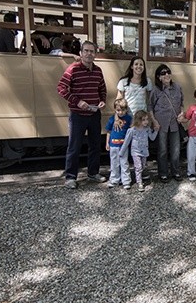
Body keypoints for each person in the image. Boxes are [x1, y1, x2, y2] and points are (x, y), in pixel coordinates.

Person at [57, 40, 109, 189]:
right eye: (86, 51)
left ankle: (93, 173)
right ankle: (70, 177)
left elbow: (102, 89)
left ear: (95, 54)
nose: (89, 54)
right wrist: (77, 101)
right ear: (81, 53)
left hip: (94, 114)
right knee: (74, 146)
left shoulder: (98, 70)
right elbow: (61, 88)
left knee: (94, 146)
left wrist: (102, 101)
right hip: (78, 115)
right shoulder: (73, 69)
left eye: (91, 51)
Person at [150, 64, 185, 183]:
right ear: (159, 77)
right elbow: (150, 107)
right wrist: (154, 121)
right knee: (163, 150)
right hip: (161, 124)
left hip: (175, 123)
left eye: (168, 72)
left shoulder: (177, 87)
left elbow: (181, 103)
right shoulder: (155, 90)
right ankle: (163, 173)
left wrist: (181, 114)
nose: (166, 75)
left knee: (176, 149)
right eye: (163, 73)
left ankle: (175, 171)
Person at [120, 110, 158, 192]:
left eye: (147, 119)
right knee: (139, 167)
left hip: (144, 151)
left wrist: (156, 131)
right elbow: (126, 142)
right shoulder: (132, 130)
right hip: (135, 152)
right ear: (138, 120)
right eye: (143, 120)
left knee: (143, 166)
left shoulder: (147, 129)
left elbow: (152, 138)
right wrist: (121, 152)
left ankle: (139, 176)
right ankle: (139, 182)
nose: (146, 121)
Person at [105, 98, 133, 190]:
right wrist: (107, 143)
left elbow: (130, 131)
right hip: (113, 144)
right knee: (114, 163)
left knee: (124, 163)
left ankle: (126, 181)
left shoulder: (128, 119)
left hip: (123, 145)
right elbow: (108, 131)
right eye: (118, 110)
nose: (120, 112)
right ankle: (114, 180)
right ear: (115, 110)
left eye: (123, 110)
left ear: (126, 109)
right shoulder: (112, 119)